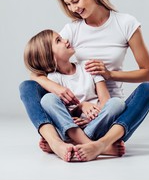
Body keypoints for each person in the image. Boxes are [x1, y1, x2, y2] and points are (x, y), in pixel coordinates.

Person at [19, 0, 149, 162]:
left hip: (111, 116)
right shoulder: (72, 30)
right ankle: (58, 142)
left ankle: (98, 143)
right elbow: (39, 68)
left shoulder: (126, 24)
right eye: (68, 4)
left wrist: (110, 74)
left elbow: (148, 73)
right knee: (27, 87)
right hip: (74, 115)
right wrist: (59, 91)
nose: (73, 9)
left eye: (75, 1)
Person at [24, 29, 126, 161]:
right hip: (72, 127)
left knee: (117, 103)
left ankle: (75, 142)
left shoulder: (88, 66)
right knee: (48, 99)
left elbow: (105, 99)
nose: (66, 41)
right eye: (58, 41)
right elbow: (62, 115)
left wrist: (91, 119)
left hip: (96, 123)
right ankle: (94, 145)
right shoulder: (53, 79)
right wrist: (80, 108)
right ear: (49, 56)